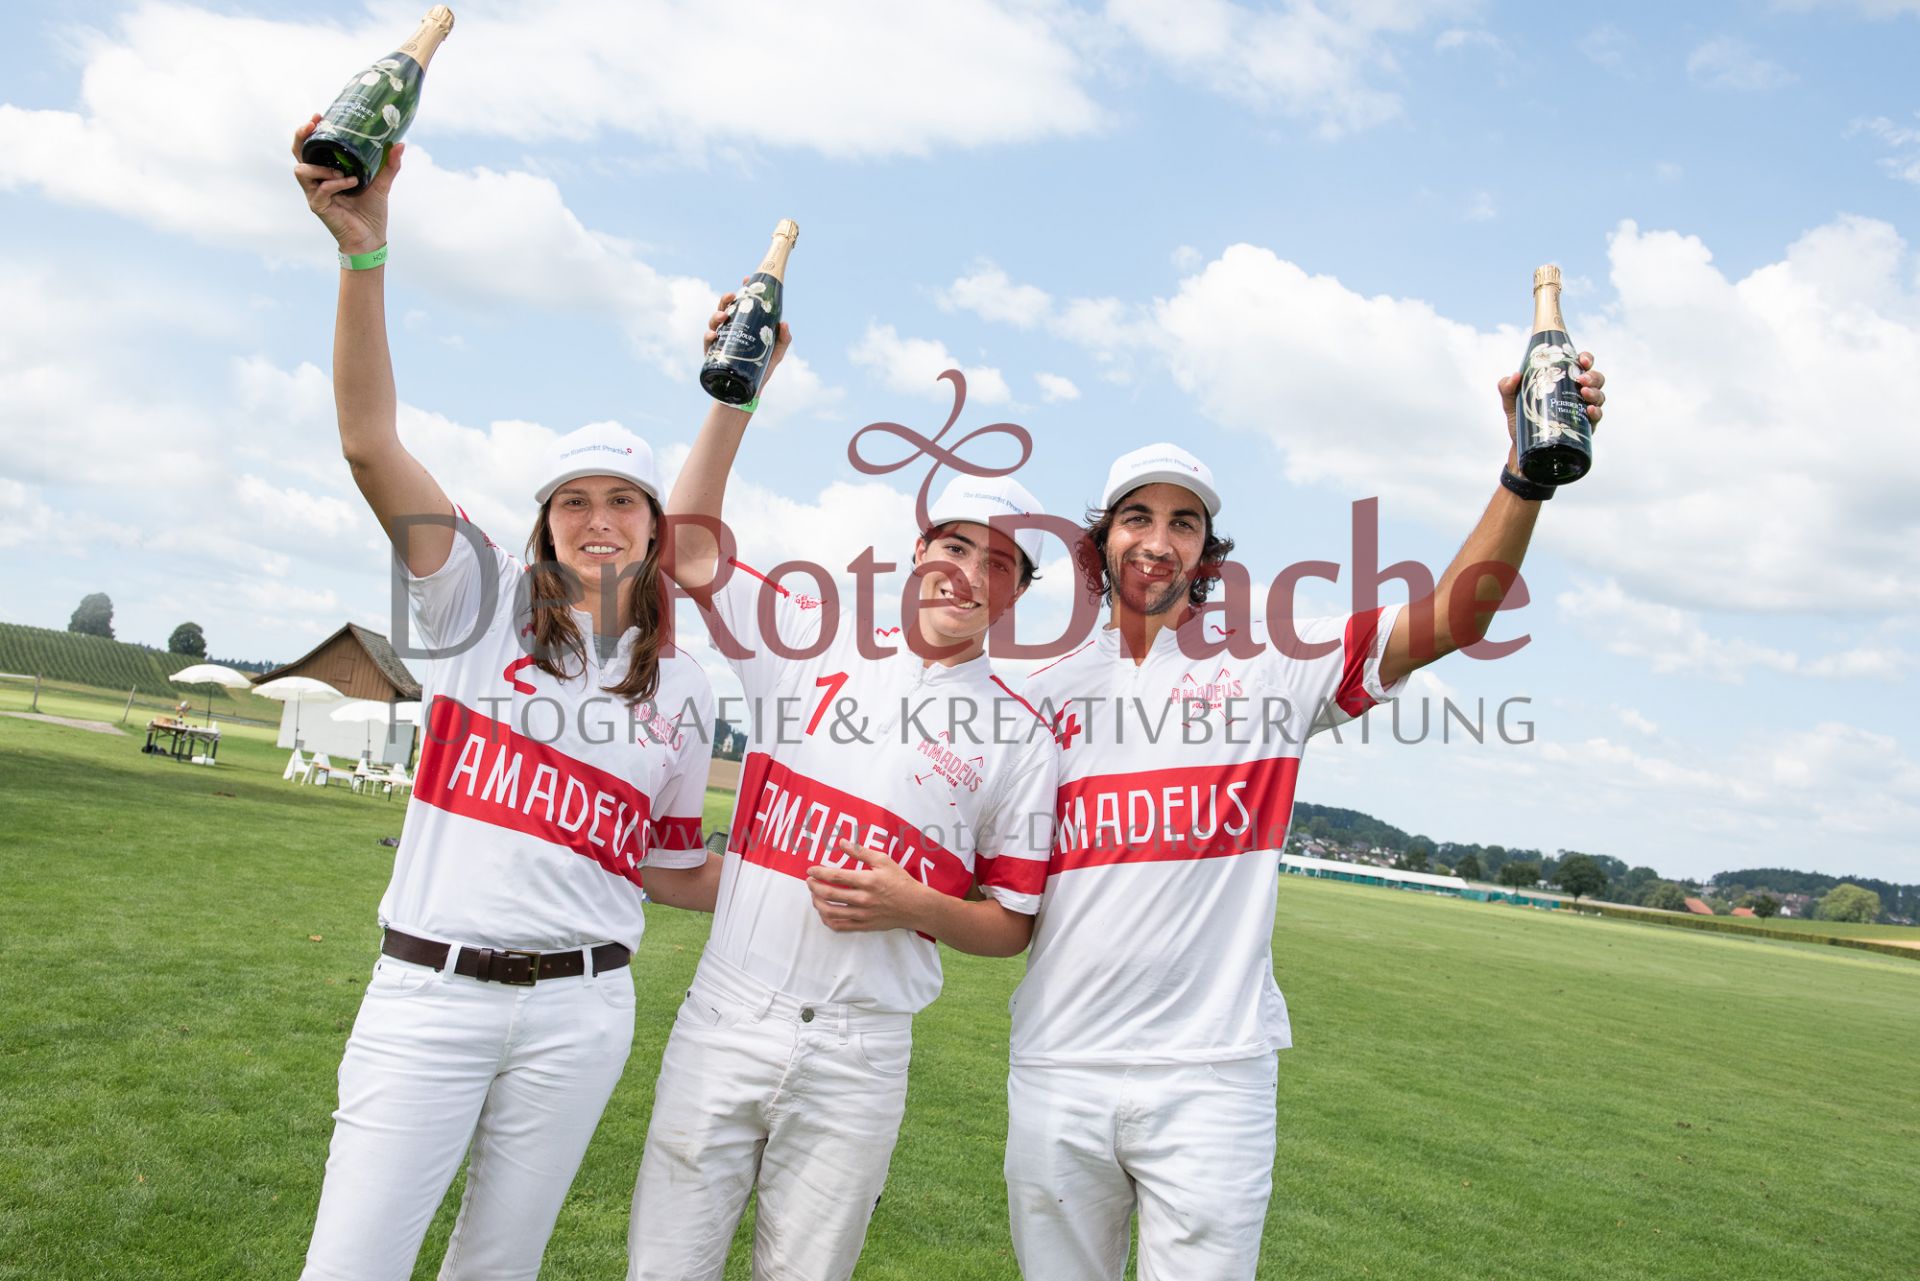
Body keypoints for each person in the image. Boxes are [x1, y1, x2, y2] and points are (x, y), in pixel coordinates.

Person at [1005, 365, 1607, 1278]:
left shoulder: (1271, 662)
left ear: (1208, 553)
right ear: (1100, 544)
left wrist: (1523, 475)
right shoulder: (1038, 693)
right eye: (1137, 517)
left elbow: (1455, 614)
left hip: (1212, 1078)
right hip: (1059, 1066)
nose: (1158, 540)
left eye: (1184, 522)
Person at [291, 119, 721, 1281]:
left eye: (623, 501)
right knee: (353, 1265)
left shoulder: (684, 686)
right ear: (544, 524)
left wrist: (798, 873)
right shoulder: (476, 601)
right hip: (431, 993)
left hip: (584, 1011)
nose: (598, 519)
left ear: (655, 527)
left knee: (500, 1267)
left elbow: (667, 866)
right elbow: (369, 443)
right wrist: (364, 252)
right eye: (574, 500)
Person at [625, 302, 1059, 1281]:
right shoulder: (810, 638)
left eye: (996, 563)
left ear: (1017, 593)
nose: (966, 574)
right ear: (919, 554)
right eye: (953, 547)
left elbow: (1010, 924)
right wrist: (742, 393)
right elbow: (687, 550)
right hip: (728, 1014)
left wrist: (916, 906)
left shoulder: (1023, 738)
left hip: (862, 1053)